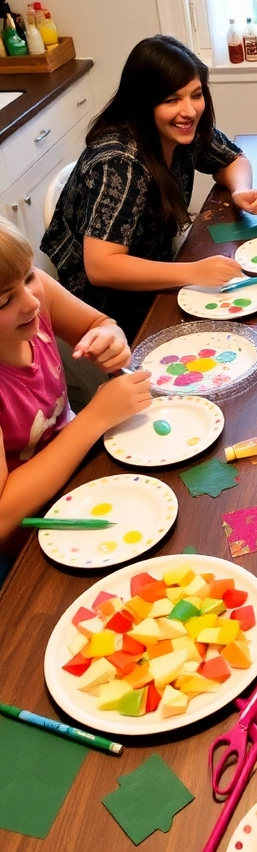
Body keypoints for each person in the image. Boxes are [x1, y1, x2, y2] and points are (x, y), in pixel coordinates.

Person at [42, 35, 257, 339]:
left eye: (196, 95)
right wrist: (193, 272)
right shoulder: (119, 163)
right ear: (143, 103)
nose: (189, 110)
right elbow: (100, 267)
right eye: (171, 100)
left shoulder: (181, 130)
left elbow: (232, 159)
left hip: (159, 264)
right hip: (110, 306)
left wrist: (240, 190)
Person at [0, 217, 151, 583]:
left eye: (29, 275)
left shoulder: (31, 295)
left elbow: (97, 322)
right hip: (34, 538)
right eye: (4, 300)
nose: (32, 300)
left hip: (82, 474)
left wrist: (110, 338)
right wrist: (94, 418)